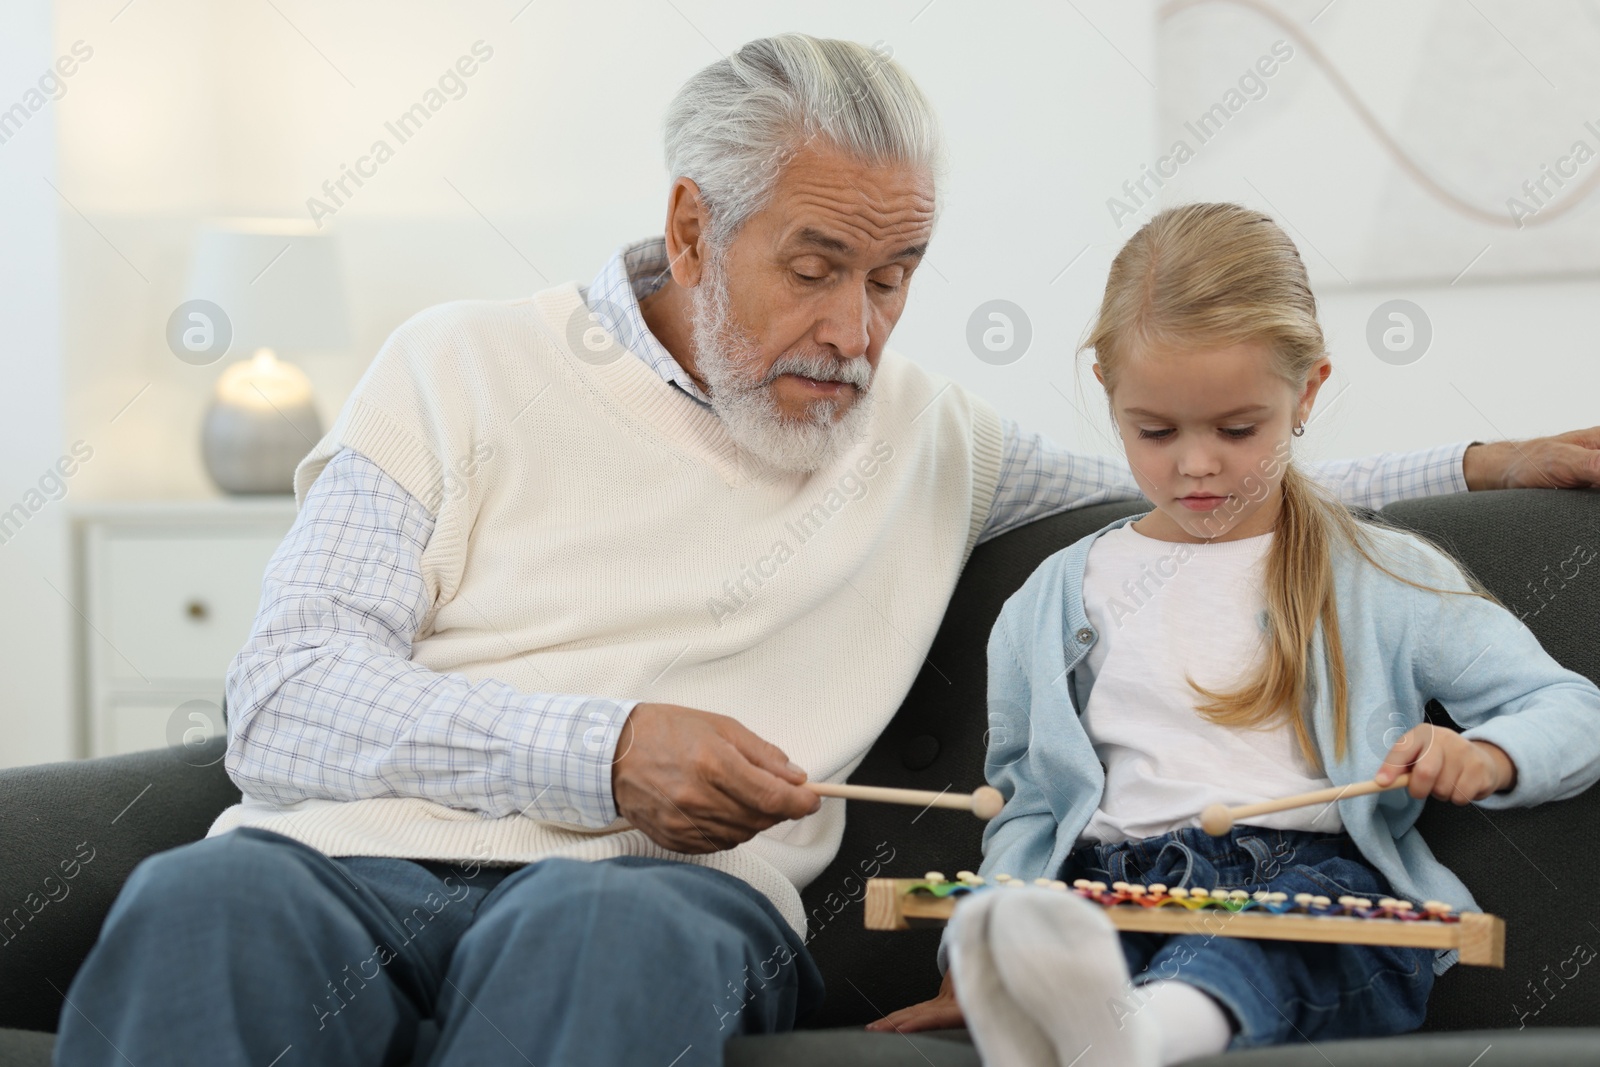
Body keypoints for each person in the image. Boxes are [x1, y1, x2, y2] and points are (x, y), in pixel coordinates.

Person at [55, 36, 1600, 1067]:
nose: (856, 329)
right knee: (204, 902)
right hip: (347, 865)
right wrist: (600, 750)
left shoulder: (932, 433)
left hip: (661, 898)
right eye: (816, 266)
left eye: (897, 274)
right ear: (690, 217)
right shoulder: (448, 366)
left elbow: (1201, 477)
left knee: (603, 925)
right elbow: (288, 701)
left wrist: (1485, 459)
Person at [870, 202, 1600, 1066]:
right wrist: (975, 952)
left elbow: (1570, 706)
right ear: (1106, 387)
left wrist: (1490, 755)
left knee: (1256, 954)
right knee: (1042, 920)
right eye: (1156, 431)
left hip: (1311, 893)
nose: (1197, 463)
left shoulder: (1380, 574)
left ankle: (1137, 1033)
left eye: (1236, 429)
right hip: (1108, 883)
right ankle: (1079, 1017)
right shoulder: (1052, 595)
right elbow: (1028, 807)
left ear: (1309, 392)